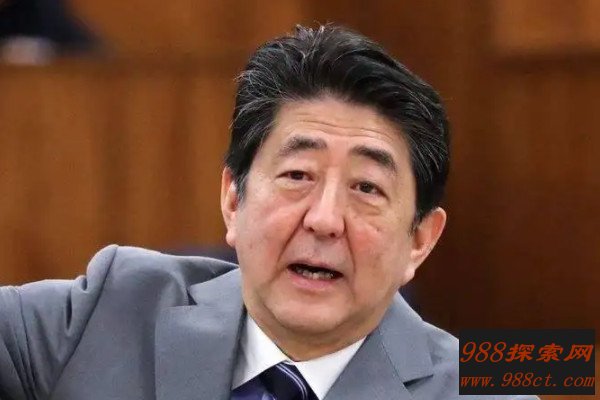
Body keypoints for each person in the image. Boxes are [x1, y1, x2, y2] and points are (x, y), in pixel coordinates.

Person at [0, 25, 537, 400]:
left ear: (420, 240)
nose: (324, 219)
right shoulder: (110, 310)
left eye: (367, 188)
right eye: (298, 176)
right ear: (233, 199)